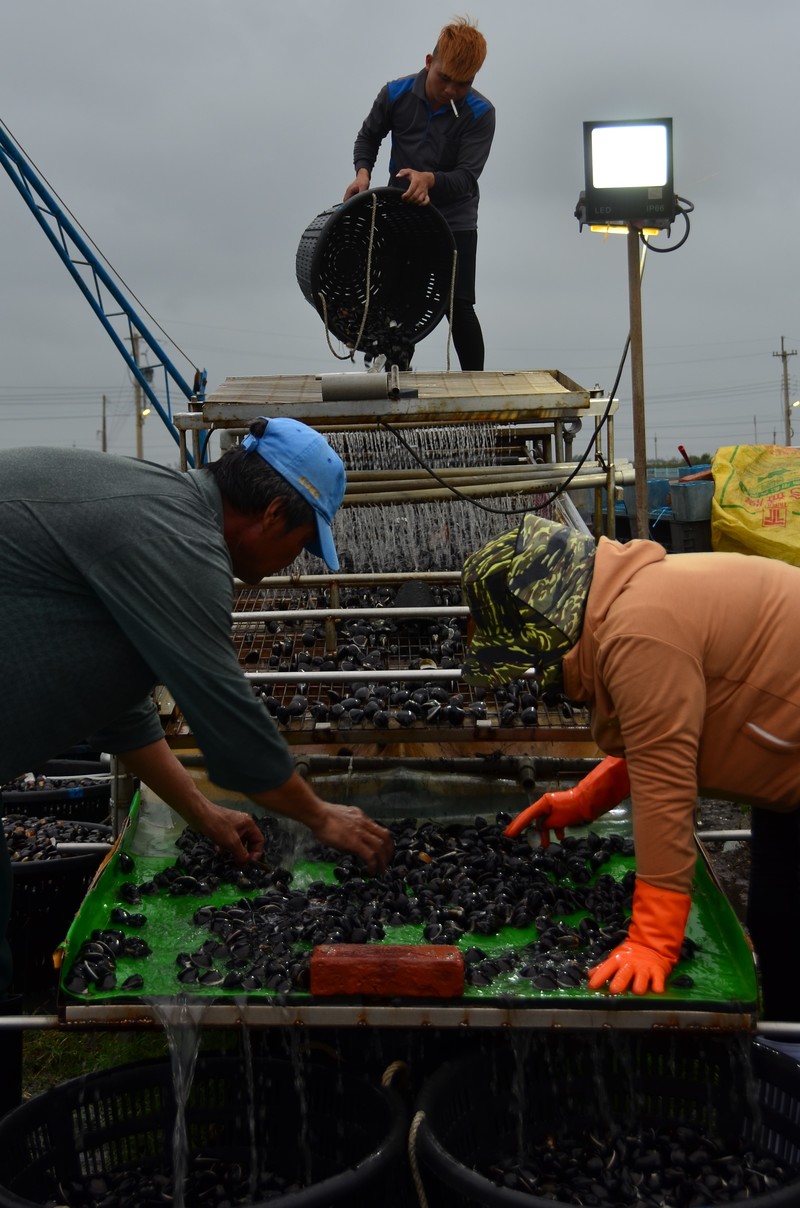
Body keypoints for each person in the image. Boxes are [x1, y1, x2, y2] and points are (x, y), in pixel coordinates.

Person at [0, 417, 395, 1006]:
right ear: (271, 514)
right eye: (302, 544)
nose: (295, 562)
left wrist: (204, 813)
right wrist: (320, 815)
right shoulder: (179, 538)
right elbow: (229, 724)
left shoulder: (164, 513)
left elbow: (125, 711)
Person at [461, 512, 800, 1019]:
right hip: (786, 764)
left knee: (791, 925)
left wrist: (654, 941)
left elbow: (665, 784)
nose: (536, 672)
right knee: (780, 920)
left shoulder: (638, 633)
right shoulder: (632, 603)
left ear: (548, 621)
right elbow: (664, 736)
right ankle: (786, 1035)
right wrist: (583, 800)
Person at [343, 16, 495, 371]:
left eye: (463, 84)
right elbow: (368, 137)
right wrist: (362, 173)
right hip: (401, 213)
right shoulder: (395, 93)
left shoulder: (481, 113)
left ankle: (477, 388)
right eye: (444, 79)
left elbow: (466, 178)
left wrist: (429, 180)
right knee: (391, 299)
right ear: (429, 62)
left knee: (457, 305)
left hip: (455, 220)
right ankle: (387, 379)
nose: (451, 91)